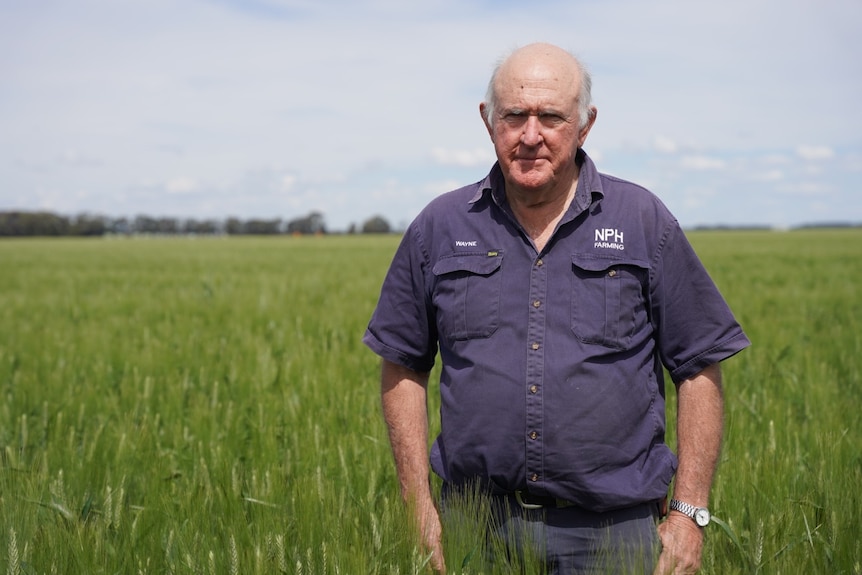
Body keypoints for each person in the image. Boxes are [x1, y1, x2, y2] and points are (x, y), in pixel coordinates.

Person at [363, 42, 750, 574]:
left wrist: (689, 513)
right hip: (475, 530)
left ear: (585, 124)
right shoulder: (441, 226)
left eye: (550, 116)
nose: (530, 135)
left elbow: (700, 363)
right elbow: (402, 363)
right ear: (487, 120)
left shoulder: (642, 220)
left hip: (613, 534)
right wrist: (416, 507)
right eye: (514, 115)